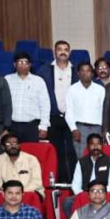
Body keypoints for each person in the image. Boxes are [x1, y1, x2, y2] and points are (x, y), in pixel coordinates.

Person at [39, 40, 77, 181]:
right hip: (53, 116)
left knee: (72, 151)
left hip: (71, 117)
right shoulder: (44, 71)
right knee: (56, 151)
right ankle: (59, 181)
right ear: (54, 52)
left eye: (65, 49)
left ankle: (73, 181)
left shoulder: (76, 71)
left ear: (69, 52)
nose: (63, 52)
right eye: (59, 49)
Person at [65, 133, 110, 218]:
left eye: (98, 144)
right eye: (92, 144)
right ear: (88, 146)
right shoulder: (81, 162)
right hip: (85, 194)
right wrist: (84, 196)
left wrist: (98, 194)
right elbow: (75, 185)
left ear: (102, 145)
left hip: (104, 195)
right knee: (67, 202)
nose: (95, 147)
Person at [4, 52, 50, 142]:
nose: (23, 65)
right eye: (20, 62)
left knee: (31, 150)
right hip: (12, 126)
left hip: (32, 126)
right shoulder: (7, 80)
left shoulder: (38, 81)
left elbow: (45, 105)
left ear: (30, 65)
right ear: (14, 64)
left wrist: (44, 126)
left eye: (26, 62)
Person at [64, 61, 106, 159]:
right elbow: (69, 112)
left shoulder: (100, 89)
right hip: (80, 128)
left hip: (97, 128)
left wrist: (104, 129)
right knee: (82, 158)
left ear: (92, 73)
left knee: (97, 157)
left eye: (88, 71)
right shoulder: (72, 89)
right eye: (82, 71)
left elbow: (104, 111)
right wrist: (73, 129)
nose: (85, 73)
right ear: (78, 73)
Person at [0, 133, 44, 197]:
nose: (13, 146)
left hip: (30, 192)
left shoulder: (31, 159)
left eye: (15, 143)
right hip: (8, 193)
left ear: (19, 145)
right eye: (8, 144)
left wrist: (19, 192)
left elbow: (37, 182)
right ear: (3, 147)